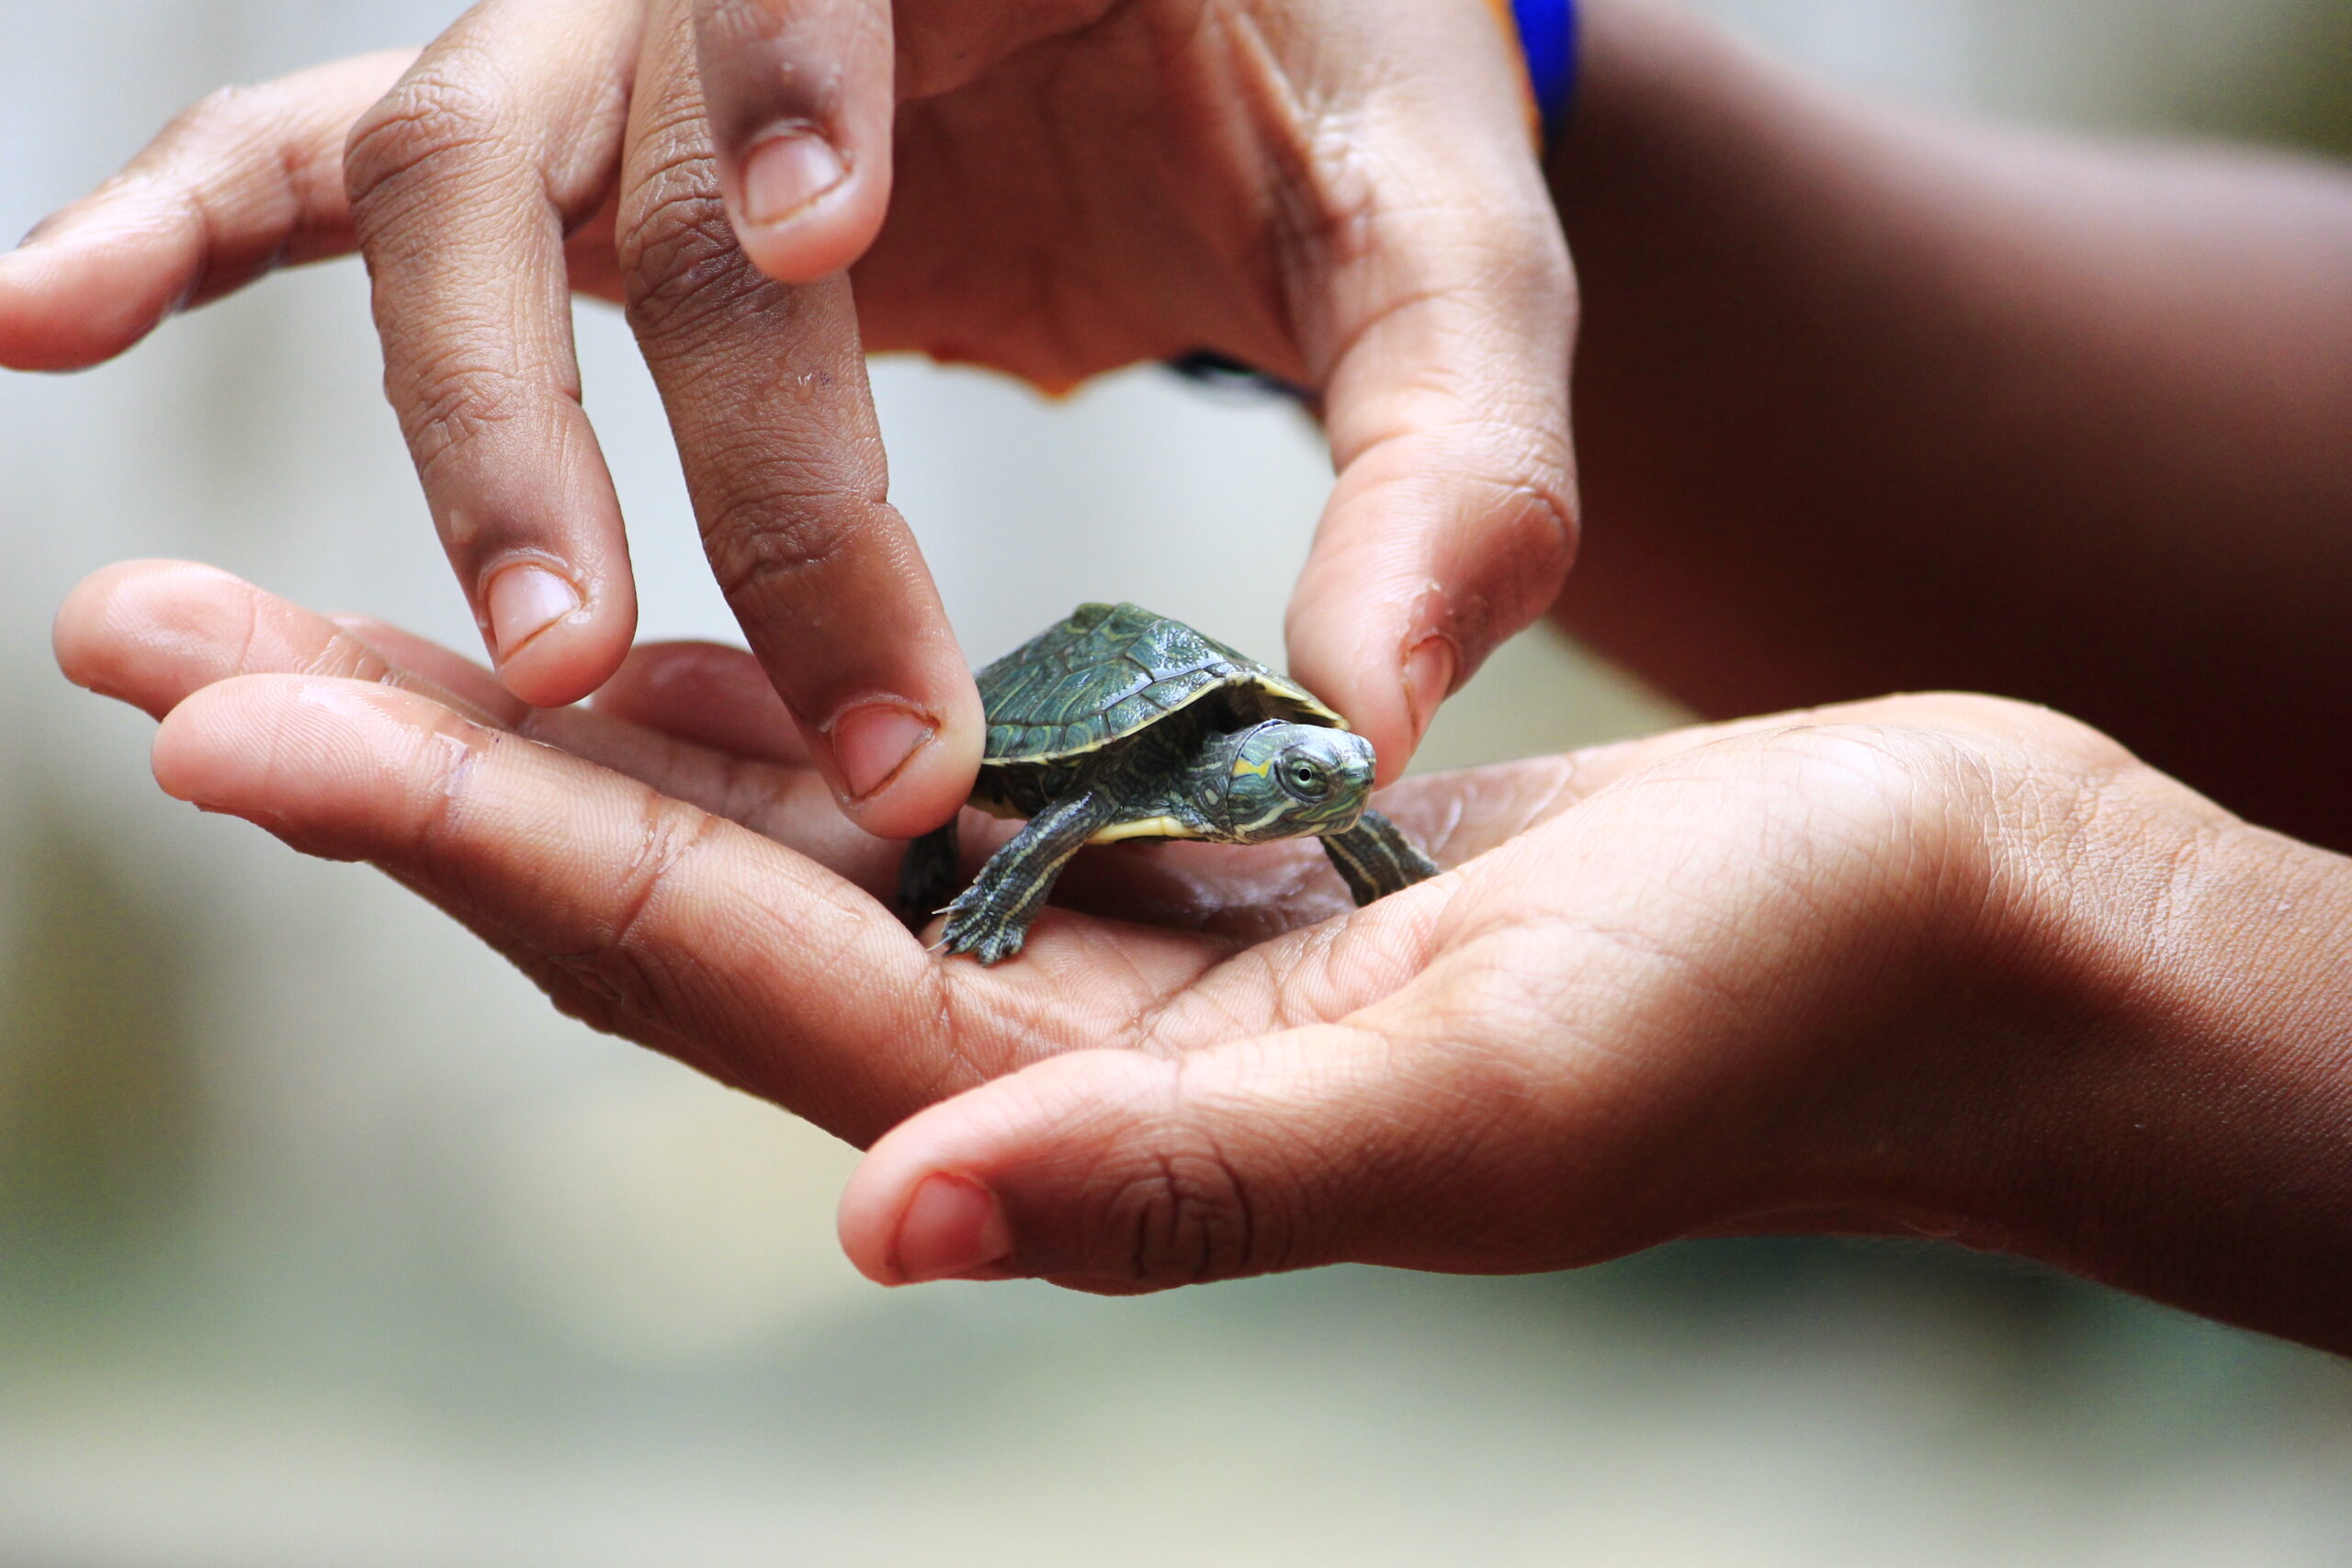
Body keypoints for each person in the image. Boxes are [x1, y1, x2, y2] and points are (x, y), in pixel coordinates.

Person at [13, 0, 2352, 1352]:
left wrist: (2085, 941)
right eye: (1312, 774)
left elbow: (1297, 778)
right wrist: (1418, 120)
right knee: (997, 818)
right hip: (1082, 692)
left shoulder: (1287, 772)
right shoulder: (1180, 761)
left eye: (1315, 778)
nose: (1346, 780)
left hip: (1146, 736)